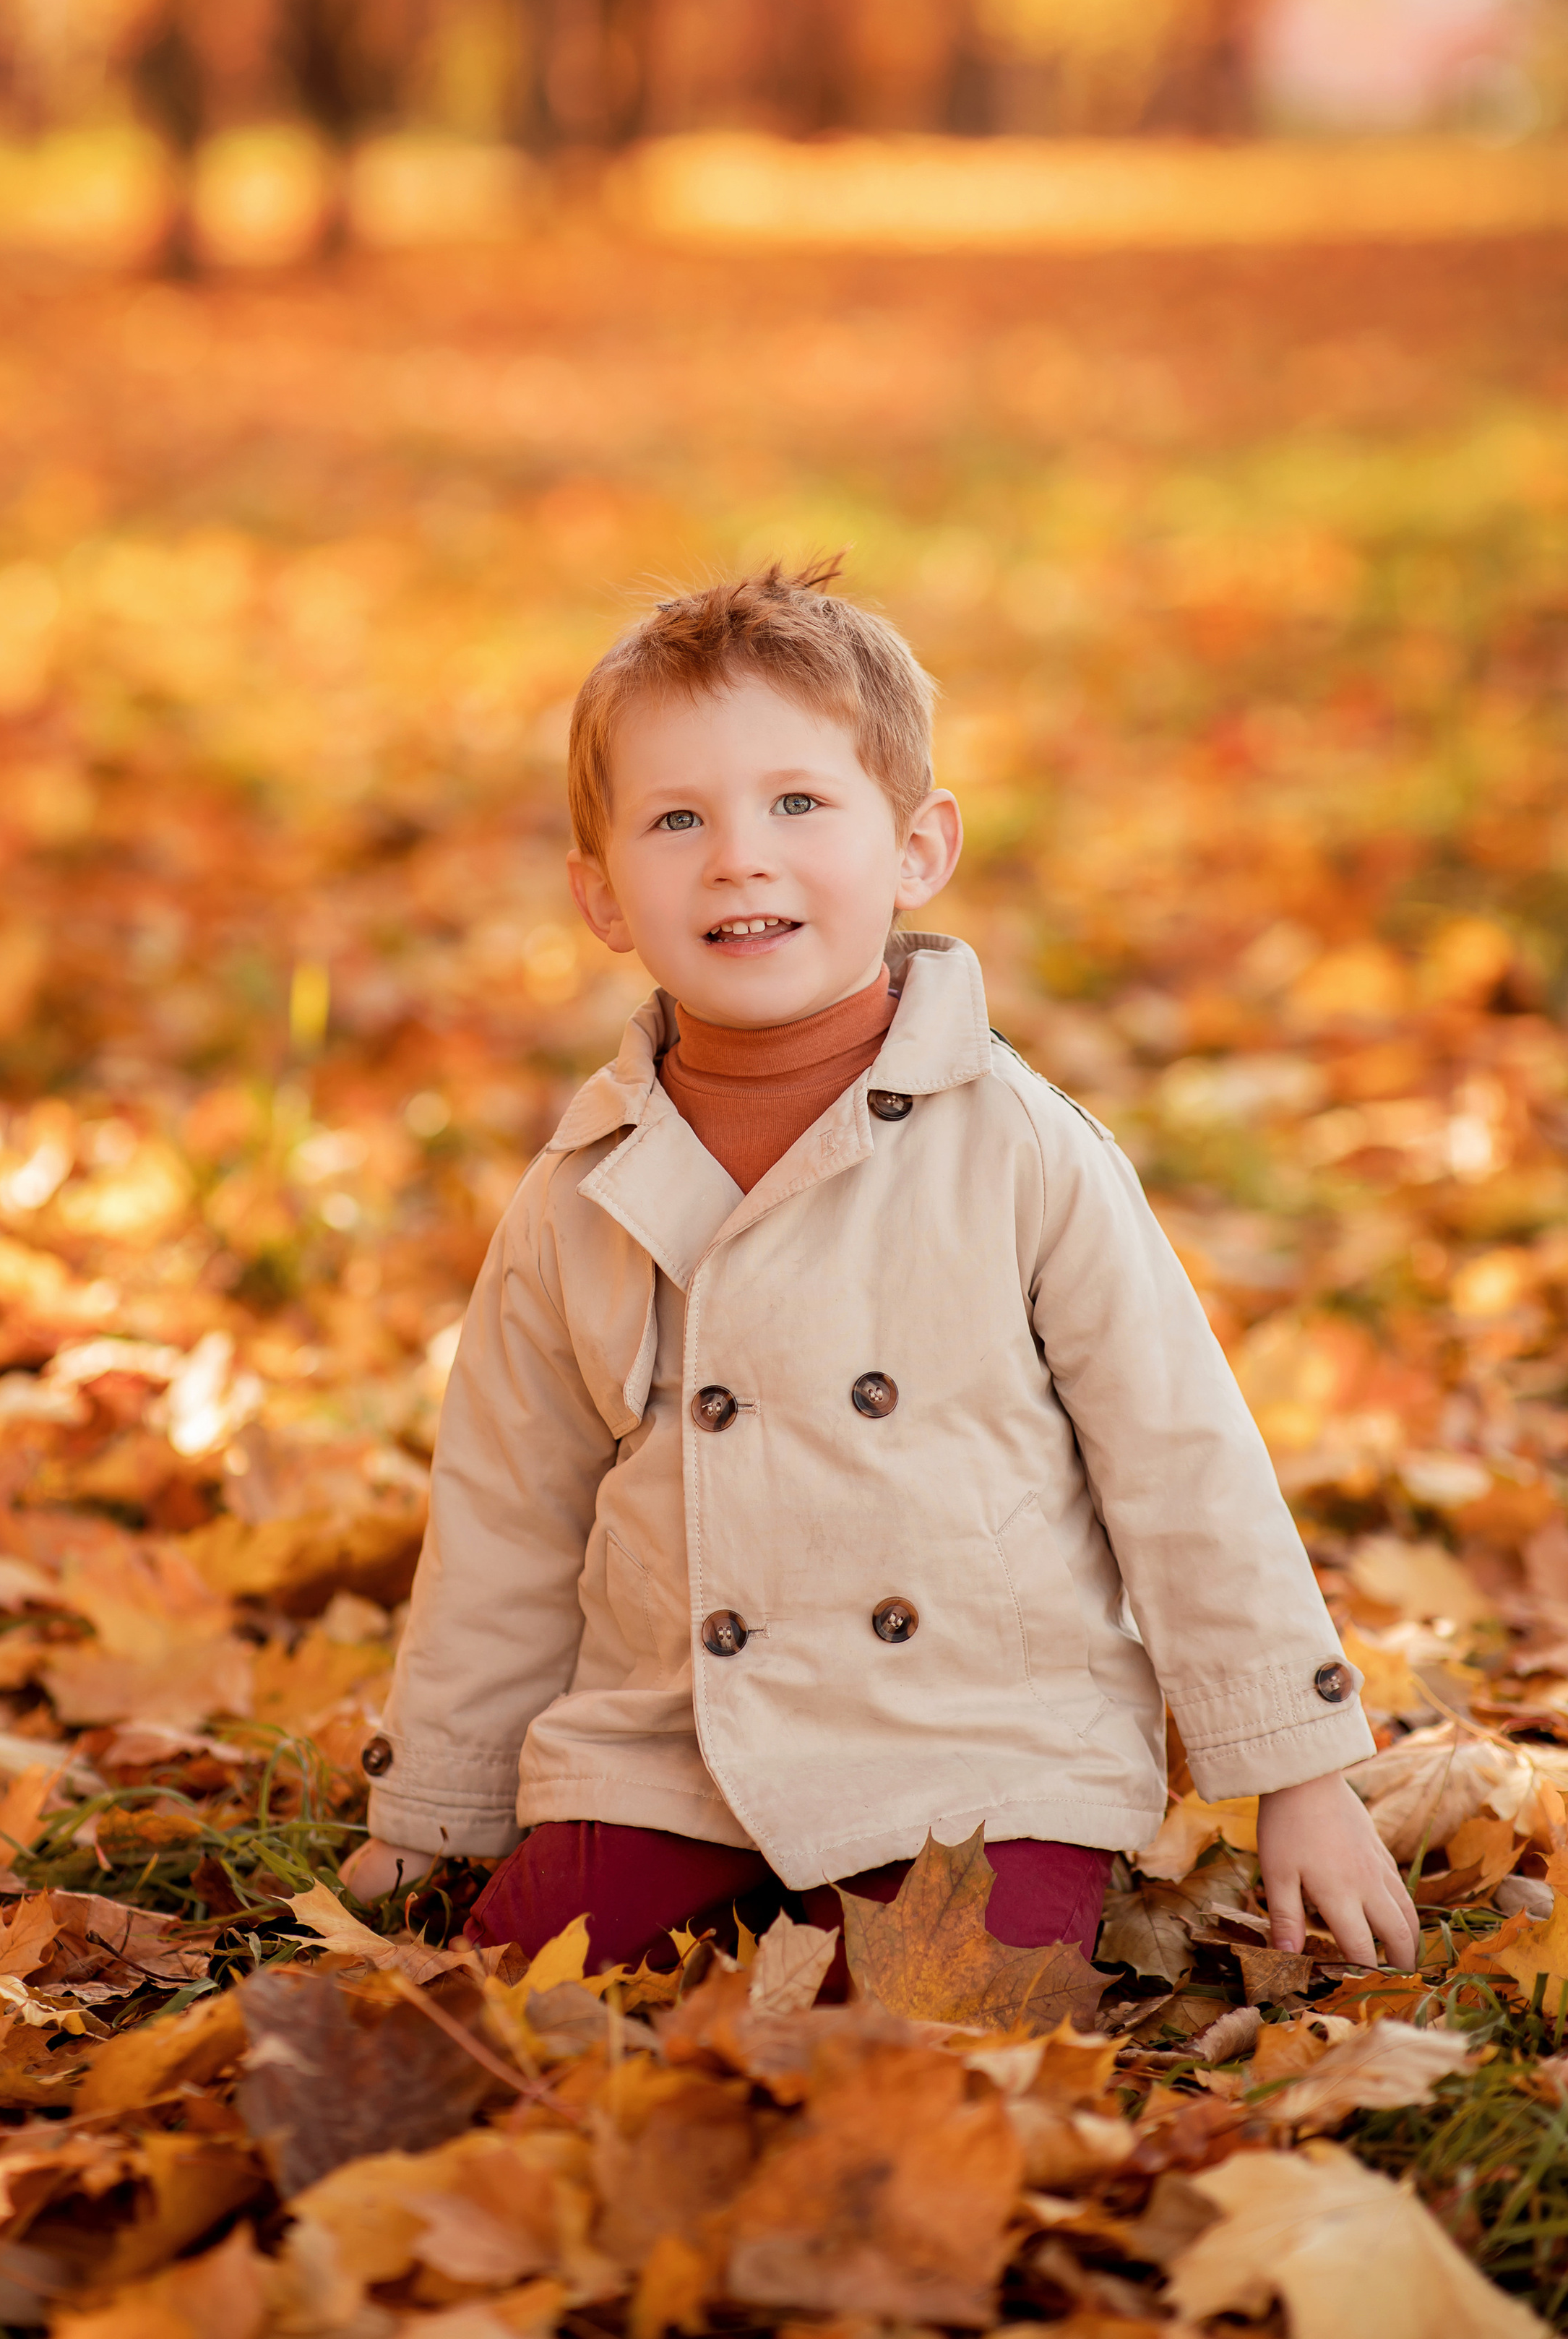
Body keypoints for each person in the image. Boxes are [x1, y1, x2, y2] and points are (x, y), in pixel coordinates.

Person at [342, 561, 1418, 1981]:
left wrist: (1295, 1769)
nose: (739, 858)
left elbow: (1180, 1457)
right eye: (677, 819)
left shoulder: (1022, 1149)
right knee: (500, 1988)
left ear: (916, 849)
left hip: (982, 1740)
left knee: (938, 2023)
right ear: (600, 895)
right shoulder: (580, 1190)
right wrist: (437, 1803)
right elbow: (508, 1512)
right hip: (676, 1735)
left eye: (798, 803)